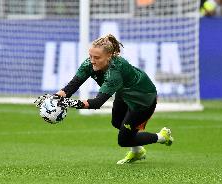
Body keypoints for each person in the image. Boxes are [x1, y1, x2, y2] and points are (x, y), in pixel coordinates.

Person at [37, 34, 174, 164]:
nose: (92, 60)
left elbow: (97, 102)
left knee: (124, 140)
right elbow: (71, 87)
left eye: (96, 57)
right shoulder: (90, 64)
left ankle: (162, 136)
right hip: (124, 92)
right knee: (116, 122)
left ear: (109, 56)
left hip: (142, 99)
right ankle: (138, 152)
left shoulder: (115, 72)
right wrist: (54, 98)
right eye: (90, 56)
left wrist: (68, 103)